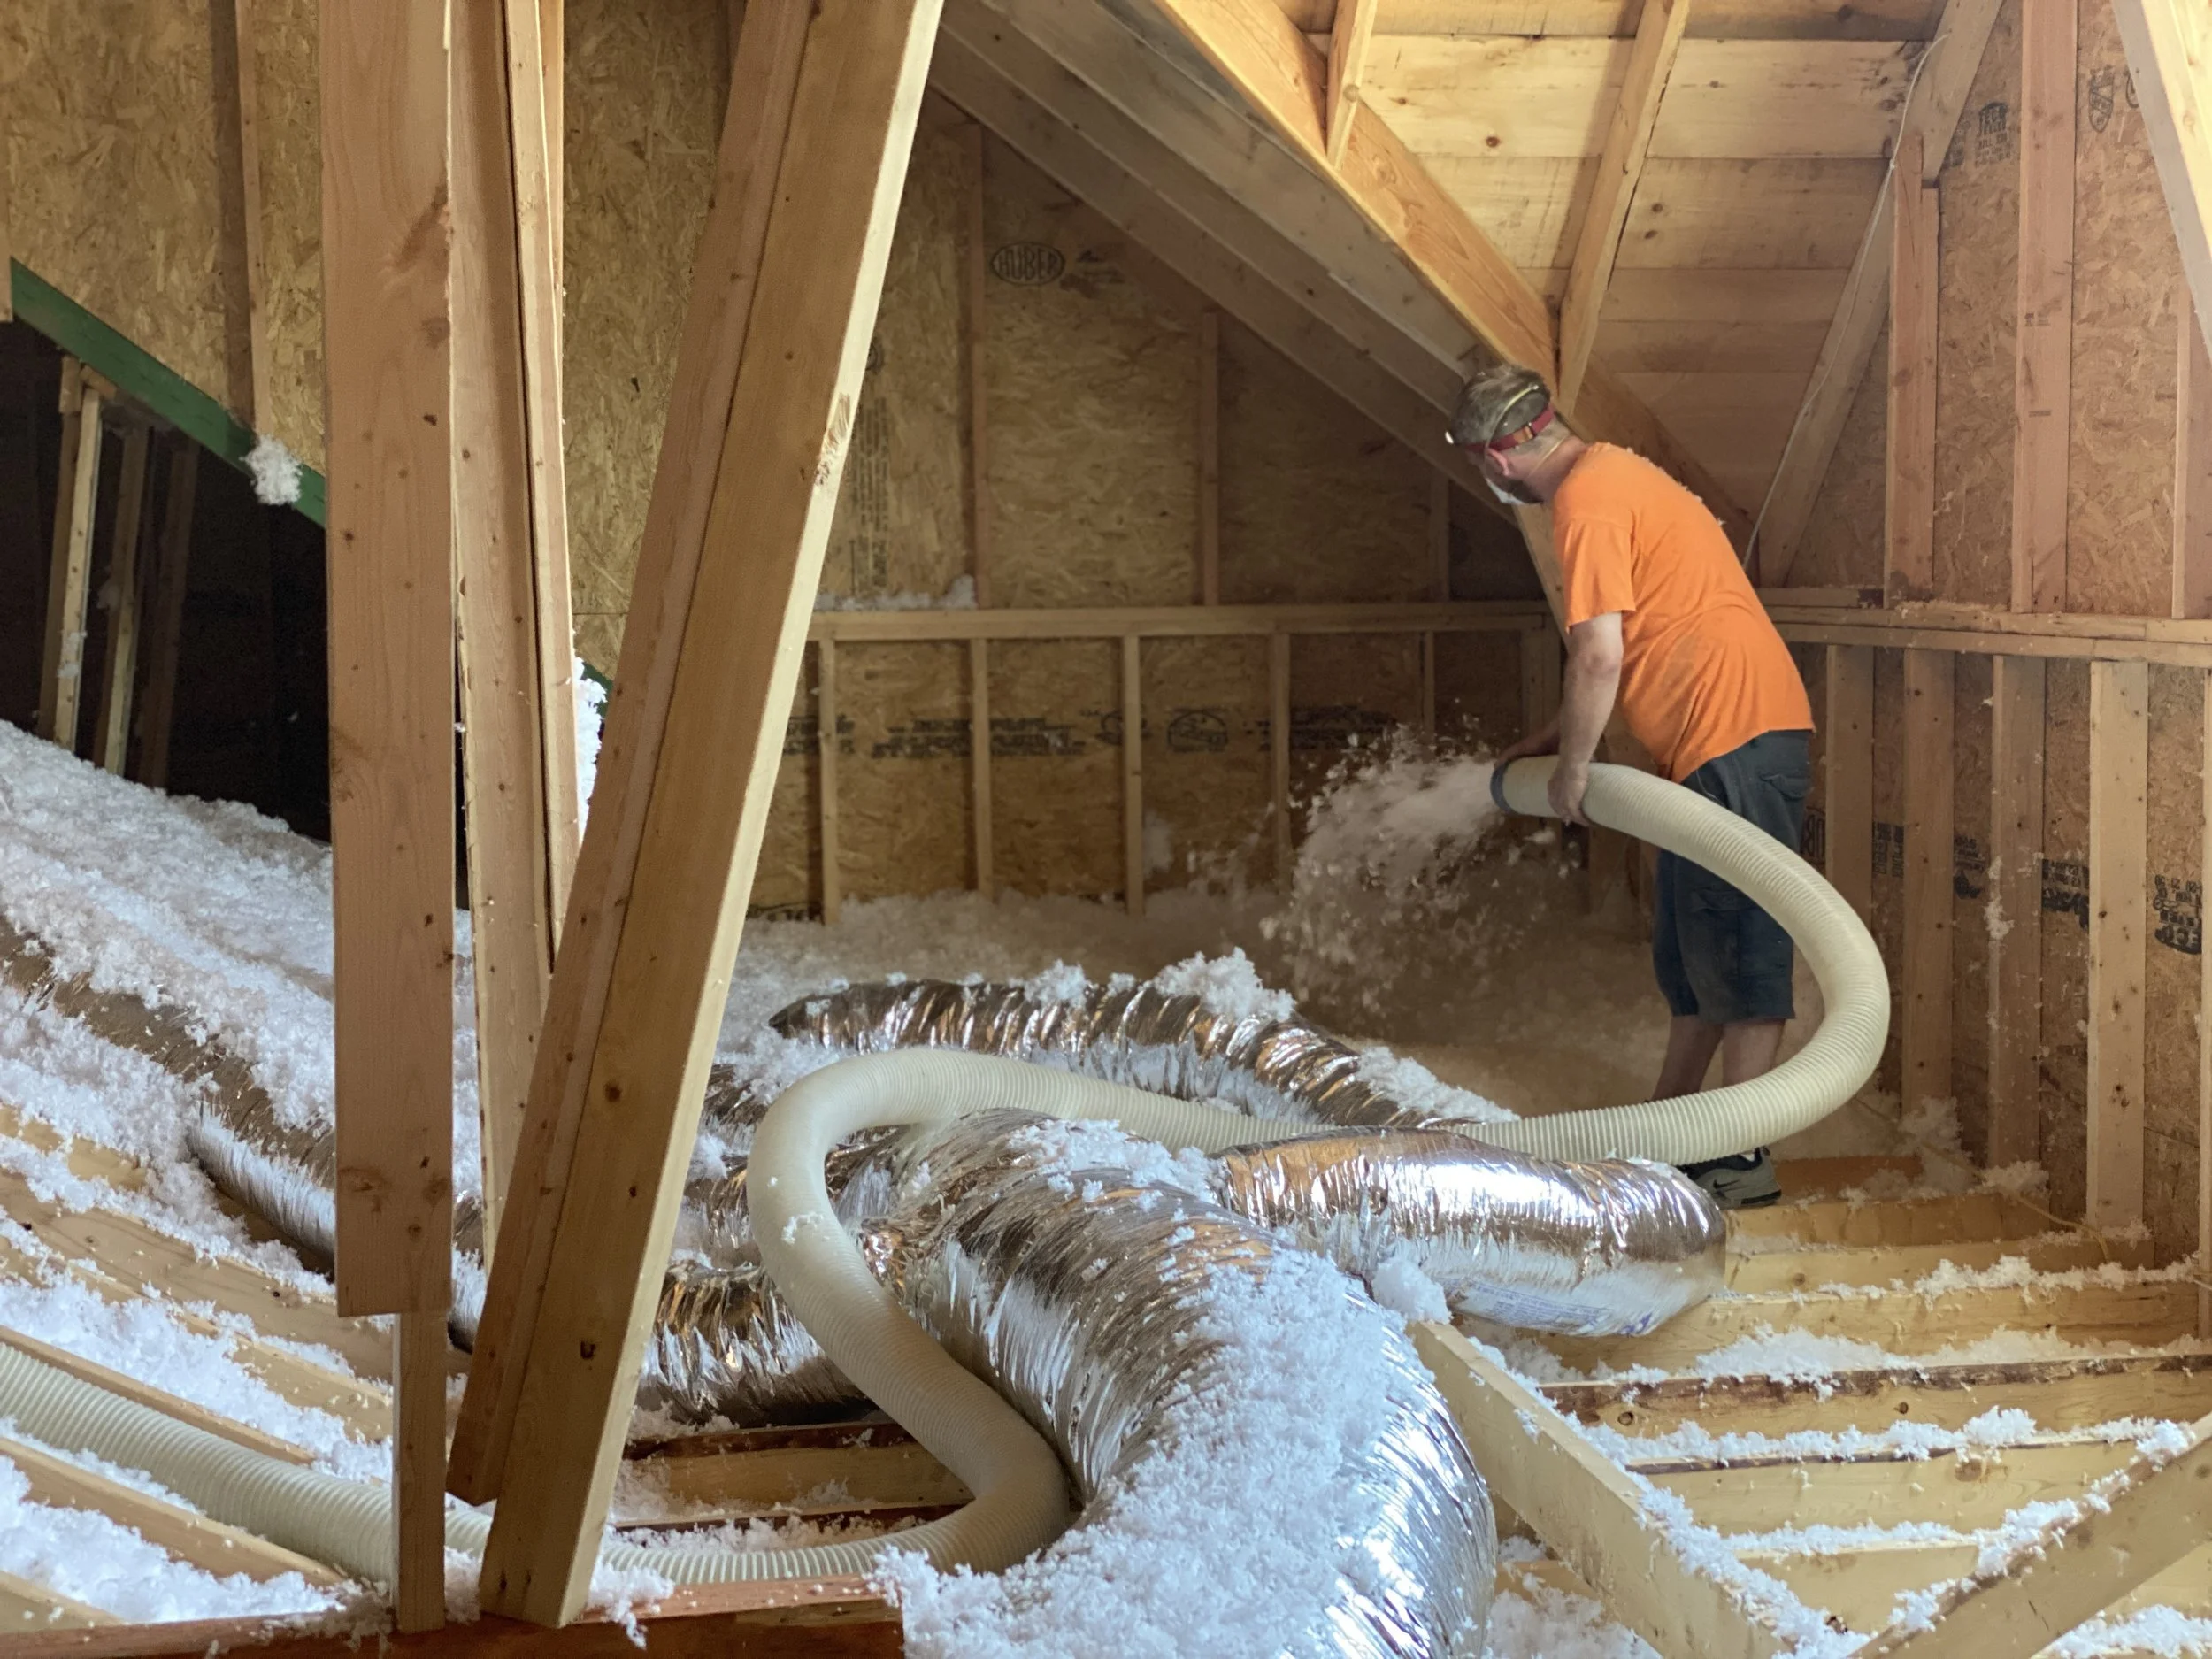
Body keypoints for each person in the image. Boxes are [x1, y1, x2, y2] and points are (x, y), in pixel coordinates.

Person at [1450, 364, 1814, 1210]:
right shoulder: (1609, 475)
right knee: (1690, 957)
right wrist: (1558, 735)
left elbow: (1602, 652)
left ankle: (1739, 1155)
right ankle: (1669, 1132)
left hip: (1740, 733)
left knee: (1741, 947)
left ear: (1495, 460)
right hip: (1712, 745)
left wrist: (1574, 770)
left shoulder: (1586, 501)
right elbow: (1635, 646)